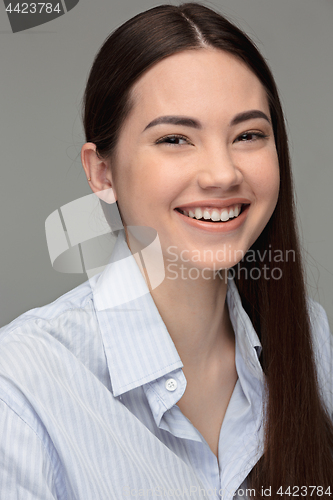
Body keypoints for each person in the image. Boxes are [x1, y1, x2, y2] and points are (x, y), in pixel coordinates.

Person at [0, 2, 332, 499]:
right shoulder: (20, 387)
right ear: (102, 173)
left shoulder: (313, 337)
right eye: (175, 138)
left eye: (248, 135)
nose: (222, 174)